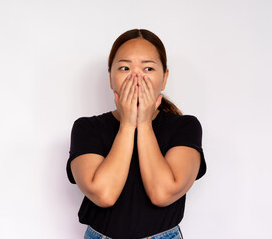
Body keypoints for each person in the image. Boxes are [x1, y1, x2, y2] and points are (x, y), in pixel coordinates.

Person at [66, 29, 207, 239]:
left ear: (165, 77)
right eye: (125, 68)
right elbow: (104, 194)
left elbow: (162, 193)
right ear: (111, 78)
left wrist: (144, 124)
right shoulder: (87, 128)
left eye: (148, 68)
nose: (137, 78)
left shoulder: (185, 127)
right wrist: (127, 124)